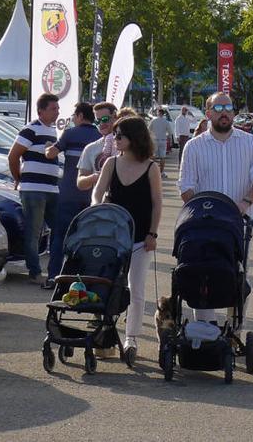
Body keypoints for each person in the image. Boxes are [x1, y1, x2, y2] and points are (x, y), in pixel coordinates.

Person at [178, 91, 253, 324]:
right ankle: (206, 329)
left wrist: (245, 203)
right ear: (208, 114)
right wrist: (202, 211)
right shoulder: (194, 147)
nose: (224, 113)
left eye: (228, 108)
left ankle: (233, 327)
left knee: (238, 276)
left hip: (240, 223)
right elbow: (186, 187)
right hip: (204, 224)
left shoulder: (250, 142)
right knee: (203, 275)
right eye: (218, 109)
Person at [91, 116, 162, 362]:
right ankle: (106, 332)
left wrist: (152, 233)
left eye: (120, 135)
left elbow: (156, 203)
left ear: (135, 137)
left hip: (141, 238)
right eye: (115, 134)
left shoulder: (151, 167)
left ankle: (131, 337)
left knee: (136, 289)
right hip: (113, 236)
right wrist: (97, 211)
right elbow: (98, 192)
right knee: (108, 285)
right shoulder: (111, 163)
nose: (115, 139)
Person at [43, 102, 103, 288]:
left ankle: (54, 276)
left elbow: (51, 154)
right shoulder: (100, 136)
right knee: (87, 240)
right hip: (91, 196)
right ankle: (82, 279)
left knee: (60, 237)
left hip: (68, 194)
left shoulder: (69, 134)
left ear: (79, 116)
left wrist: (48, 146)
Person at [7, 93, 61, 287]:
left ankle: (55, 270)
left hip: (52, 189)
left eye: (58, 108)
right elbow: (13, 156)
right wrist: (19, 179)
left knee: (58, 229)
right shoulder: (30, 130)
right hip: (33, 189)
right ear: (41, 111)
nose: (57, 112)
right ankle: (35, 272)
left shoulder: (54, 132)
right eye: (53, 108)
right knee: (33, 231)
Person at [77, 102, 118, 191]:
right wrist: (95, 177)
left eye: (104, 119)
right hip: (101, 202)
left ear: (115, 117)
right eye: (97, 121)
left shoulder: (126, 143)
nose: (101, 124)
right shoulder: (90, 148)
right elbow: (80, 183)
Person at [148, 108, 172, 178]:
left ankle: (153, 171)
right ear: (163, 113)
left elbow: (148, 130)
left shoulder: (153, 120)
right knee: (162, 157)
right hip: (163, 140)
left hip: (155, 140)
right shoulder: (166, 122)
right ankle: (161, 172)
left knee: (153, 156)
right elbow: (170, 132)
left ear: (158, 113)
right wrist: (168, 137)